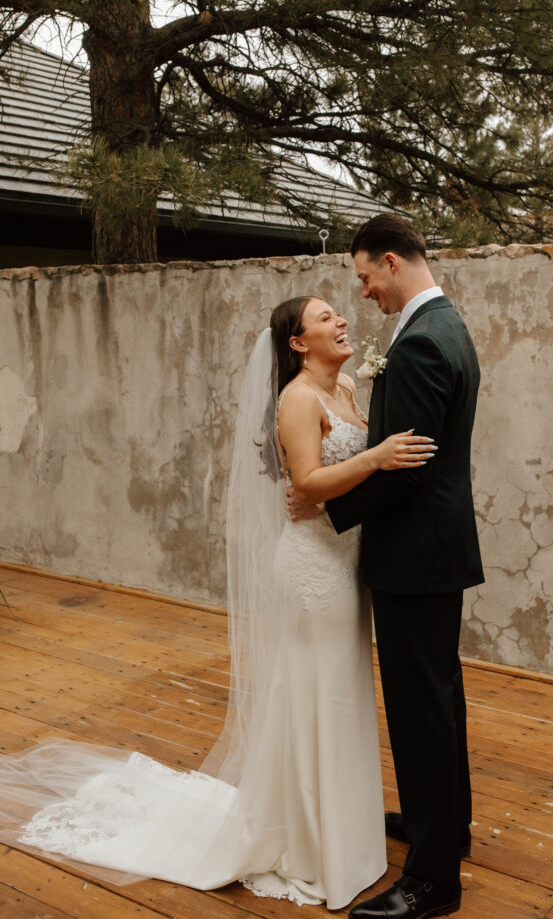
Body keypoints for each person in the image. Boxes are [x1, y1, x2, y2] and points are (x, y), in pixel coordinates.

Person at [0, 295, 433, 909]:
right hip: (314, 569)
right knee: (318, 693)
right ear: (298, 344)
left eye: (339, 312)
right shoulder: (298, 399)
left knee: (341, 693)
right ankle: (311, 845)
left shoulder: (347, 395)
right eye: (325, 318)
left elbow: (340, 483)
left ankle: (343, 834)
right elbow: (306, 482)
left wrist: (371, 465)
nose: (341, 321)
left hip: (347, 561)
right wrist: (377, 456)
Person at [290, 214, 485, 919]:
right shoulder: (443, 327)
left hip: (415, 552)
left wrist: (326, 510)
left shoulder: (424, 344)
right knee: (437, 699)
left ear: (394, 263)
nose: (364, 292)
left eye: (366, 276)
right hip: (433, 548)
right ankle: (443, 825)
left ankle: (431, 880)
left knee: (419, 708)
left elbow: (405, 467)